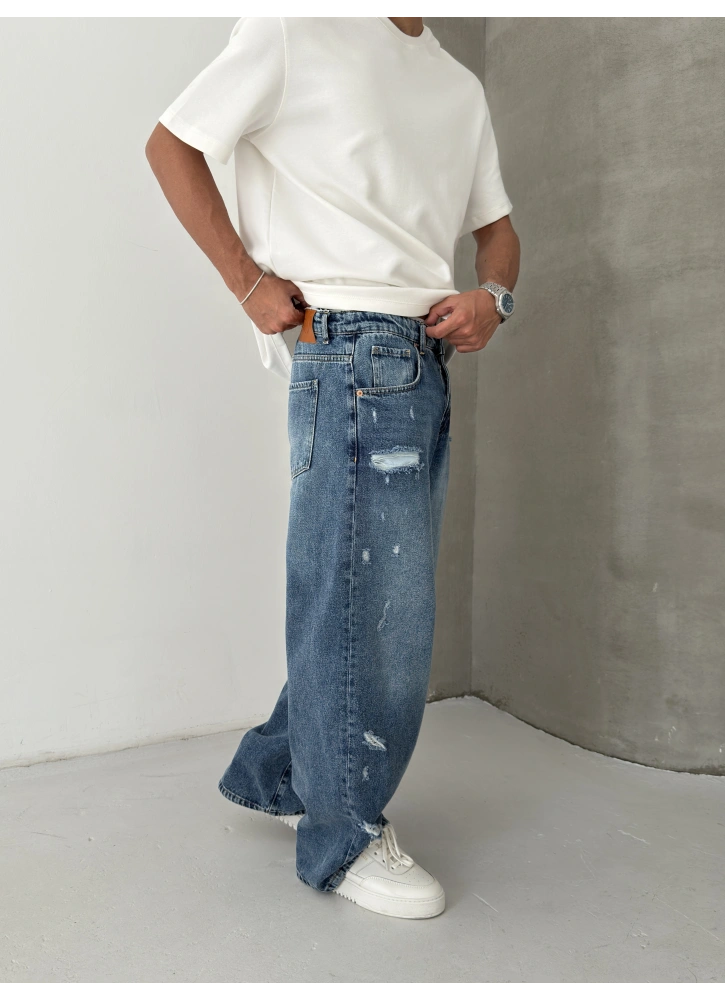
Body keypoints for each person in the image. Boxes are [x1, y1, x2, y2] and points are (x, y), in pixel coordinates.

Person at [146, 15, 520, 920]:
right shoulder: (298, 25)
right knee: (372, 611)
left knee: (358, 599)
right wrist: (246, 282)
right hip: (349, 345)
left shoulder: (456, 85)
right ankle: (342, 835)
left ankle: (281, 776)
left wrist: (494, 298)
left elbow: (498, 232)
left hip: (423, 355)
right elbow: (172, 145)